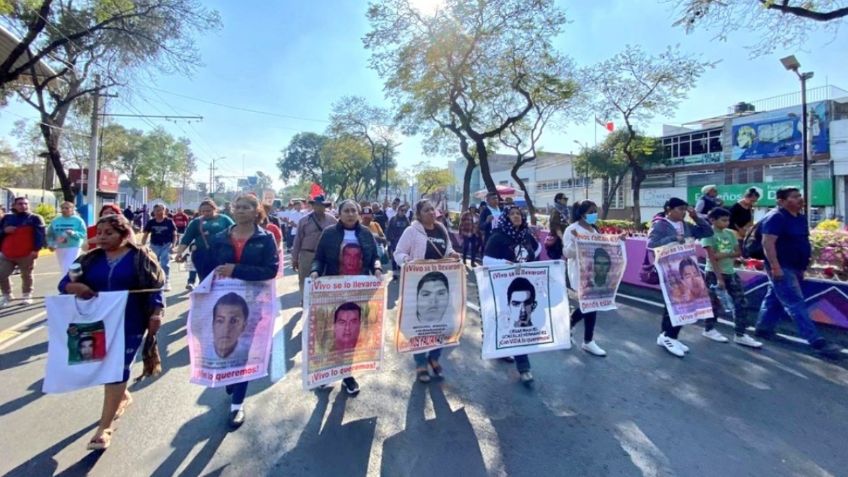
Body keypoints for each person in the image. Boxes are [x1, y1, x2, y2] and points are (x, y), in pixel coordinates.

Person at [59, 214, 165, 450]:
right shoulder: (88, 259)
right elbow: (64, 283)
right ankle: (122, 395)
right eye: (100, 233)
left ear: (125, 234)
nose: (102, 238)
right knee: (98, 366)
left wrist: (156, 313)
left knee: (117, 368)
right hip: (94, 323)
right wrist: (74, 286)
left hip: (130, 322)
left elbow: (155, 288)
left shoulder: (141, 258)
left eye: (109, 233)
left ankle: (103, 429)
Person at [208, 194, 279, 428]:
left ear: (255, 210)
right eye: (237, 207)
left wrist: (237, 270)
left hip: (254, 301)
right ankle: (232, 378)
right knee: (229, 348)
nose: (240, 210)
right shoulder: (220, 238)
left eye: (246, 207)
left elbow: (270, 270)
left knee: (245, 349)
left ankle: (237, 404)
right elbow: (210, 268)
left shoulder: (265, 238)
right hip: (223, 300)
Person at [754, 187, 842, 358]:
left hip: (795, 266)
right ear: (781, 201)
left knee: (774, 298)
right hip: (781, 266)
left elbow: (802, 241)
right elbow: (768, 243)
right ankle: (816, 341)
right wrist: (775, 267)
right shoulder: (776, 217)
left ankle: (762, 329)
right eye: (794, 197)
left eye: (799, 195)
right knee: (795, 302)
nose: (800, 199)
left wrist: (803, 267)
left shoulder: (800, 217)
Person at [310, 199, 383, 395]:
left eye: (354, 210)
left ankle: (348, 376)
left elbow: (375, 256)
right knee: (332, 331)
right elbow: (319, 258)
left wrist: (377, 267)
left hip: (359, 292)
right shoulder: (329, 234)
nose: (350, 214)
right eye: (346, 210)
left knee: (352, 335)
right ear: (339, 213)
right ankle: (326, 372)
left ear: (358, 214)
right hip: (334, 290)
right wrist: (315, 271)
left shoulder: (366, 234)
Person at [394, 199, 461, 382]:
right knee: (421, 326)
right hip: (419, 285)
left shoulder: (441, 229)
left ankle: (434, 358)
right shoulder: (411, 231)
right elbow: (398, 253)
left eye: (432, 209)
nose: (431, 212)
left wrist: (452, 254)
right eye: (426, 210)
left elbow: (447, 250)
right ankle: (421, 363)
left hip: (441, 283)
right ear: (419, 214)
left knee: (442, 323)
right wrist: (408, 262)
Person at [647, 197, 713, 358]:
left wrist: (696, 217)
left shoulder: (686, 225)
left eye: (685, 209)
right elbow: (651, 244)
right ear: (669, 209)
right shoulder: (660, 224)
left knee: (684, 302)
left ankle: (669, 336)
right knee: (675, 302)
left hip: (686, 268)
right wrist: (673, 239)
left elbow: (707, 232)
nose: (683, 212)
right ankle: (668, 336)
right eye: (680, 209)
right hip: (669, 270)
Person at [483, 205, 540, 386]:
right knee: (508, 321)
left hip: (524, 287)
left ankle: (522, 365)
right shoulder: (498, 236)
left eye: (519, 214)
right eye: (512, 214)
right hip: (505, 288)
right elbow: (486, 260)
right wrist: (503, 264)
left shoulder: (526, 235)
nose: (516, 216)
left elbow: (536, 250)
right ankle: (520, 363)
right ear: (506, 218)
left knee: (520, 325)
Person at [701, 207, 762, 348]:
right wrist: (719, 279)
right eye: (723, 220)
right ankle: (709, 329)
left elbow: (737, 252)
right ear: (712, 220)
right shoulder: (708, 235)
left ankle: (740, 334)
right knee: (714, 303)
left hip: (731, 272)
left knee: (741, 302)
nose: (726, 223)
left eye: (728, 220)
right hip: (714, 273)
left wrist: (723, 254)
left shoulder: (730, 233)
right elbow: (712, 258)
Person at [563, 200, 608, 357]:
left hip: (594, 272)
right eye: (590, 211)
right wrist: (578, 241)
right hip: (579, 272)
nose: (594, 214)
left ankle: (570, 325)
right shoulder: (572, 229)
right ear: (581, 213)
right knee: (589, 305)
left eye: (595, 211)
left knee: (590, 305)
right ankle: (588, 341)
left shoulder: (594, 229)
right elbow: (567, 253)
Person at [174, 199, 235, 286]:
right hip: (202, 255)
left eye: (208, 211)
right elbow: (186, 239)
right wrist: (179, 253)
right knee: (205, 281)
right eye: (203, 211)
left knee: (221, 281)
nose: (206, 213)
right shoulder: (196, 222)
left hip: (222, 254)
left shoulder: (224, 219)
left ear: (215, 209)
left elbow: (236, 232)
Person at [0, 197, 46, 307]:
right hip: (7, 253)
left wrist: (36, 250)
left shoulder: (35, 218)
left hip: (26, 254)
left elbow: (40, 235)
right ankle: (7, 295)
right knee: (1, 274)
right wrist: (4, 231)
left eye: (25, 204)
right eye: (20, 204)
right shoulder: (7, 218)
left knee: (26, 275)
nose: (23, 206)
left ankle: (27, 295)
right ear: (14, 205)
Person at [292, 195, 337, 294]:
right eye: (317, 205)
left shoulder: (332, 220)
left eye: (322, 205)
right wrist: (295, 258)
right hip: (307, 254)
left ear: (325, 206)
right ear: (313, 206)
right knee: (305, 280)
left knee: (324, 280)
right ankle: (305, 302)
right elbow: (297, 240)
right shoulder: (304, 220)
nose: (319, 207)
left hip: (325, 256)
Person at [142, 204, 177, 291]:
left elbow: (174, 234)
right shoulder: (151, 222)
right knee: (153, 263)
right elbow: (145, 234)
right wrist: (142, 246)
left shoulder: (169, 221)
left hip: (166, 244)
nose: (158, 212)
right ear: (153, 212)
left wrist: (173, 245)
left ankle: (166, 281)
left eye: (161, 210)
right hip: (154, 245)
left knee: (165, 263)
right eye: (156, 210)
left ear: (164, 211)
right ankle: (154, 280)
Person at [46, 201, 87, 275]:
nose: (64, 210)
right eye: (62, 208)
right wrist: (51, 243)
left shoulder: (78, 220)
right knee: (63, 267)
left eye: (67, 208)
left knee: (68, 267)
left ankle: (65, 284)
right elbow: (49, 234)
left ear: (72, 209)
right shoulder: (56, 220)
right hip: (59, 247)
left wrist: (73, 233)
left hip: (73, 246)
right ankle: (74, 281)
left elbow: (83, 234)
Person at [212, 292, 250, 362]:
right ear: (213, 325)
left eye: (234, 321)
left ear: (243, 326)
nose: (226, 329)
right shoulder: (202, 350)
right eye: (220, 321)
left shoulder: (250, 354)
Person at [385, 202, 410, 279]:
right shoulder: (393, 219)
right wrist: (388, 240)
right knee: (394, 258)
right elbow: (388, 230)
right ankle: (394, 273)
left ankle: (401, 272)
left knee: (402, 258)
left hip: (404, 242)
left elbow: (409, 231)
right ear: (398, 210)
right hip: (394, 241)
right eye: (402, 210)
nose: (403, 212)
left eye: (405, 211)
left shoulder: (406, 220)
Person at [549, 193, 569, 259]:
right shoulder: (555, 211)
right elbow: (556, 227)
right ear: (558, 200)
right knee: (558, 262)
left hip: (564, 239)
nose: (566, 200)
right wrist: (563, 239)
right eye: (564, 199)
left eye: (567, 199)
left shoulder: (565, 211)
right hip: (558, 241)